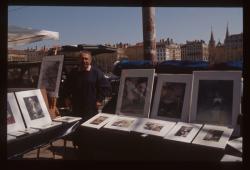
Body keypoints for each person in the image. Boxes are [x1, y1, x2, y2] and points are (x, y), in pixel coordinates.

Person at [62, 50, 111, 122]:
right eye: (82, 59)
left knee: (89, 129)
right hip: (76, 107)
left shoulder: (96, 73)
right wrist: (66, 97)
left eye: (86, 59)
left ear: (90, 60)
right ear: (78, 60)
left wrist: (99, 100)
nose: (84, 61)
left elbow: (106, 88)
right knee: (77, 127)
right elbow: (67, 86)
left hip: (91, 108)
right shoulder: (73, 72)